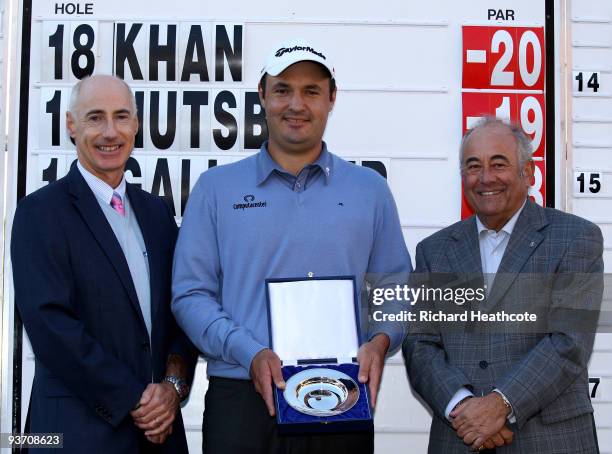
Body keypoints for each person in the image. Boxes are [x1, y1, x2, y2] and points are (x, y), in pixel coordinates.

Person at [172, 40, 411, 454]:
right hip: (241, 396)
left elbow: (396, 288)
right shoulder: (216, 189)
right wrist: (250, 352)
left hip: (342, 399)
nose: (295, 104)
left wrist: (381, 340)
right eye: (283, 89)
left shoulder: (371, 190)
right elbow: (191, 295)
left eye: (311, 91)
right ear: (262, 95)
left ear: (332, 99)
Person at [11, 74, 197, 453]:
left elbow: (183, 308)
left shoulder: (156, 213)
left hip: (159, 436)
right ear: (71, 125)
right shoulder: (40, 213)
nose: (110, 132)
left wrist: (171, 391)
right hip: (78, 435)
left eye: (122, 116)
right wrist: (136, 400)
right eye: (95, 117)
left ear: (137, 125)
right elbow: (51, 328)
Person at [403, 117, 603, 453]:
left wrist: (500, 405)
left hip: (552, 441)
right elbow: (419, 345)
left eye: (499, 164)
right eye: (473, 166)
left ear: (528, 172)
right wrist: (462, 407)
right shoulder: (433, 251)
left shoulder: (577, 238)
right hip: (459, 437)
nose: (485, 178)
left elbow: (569, 342)